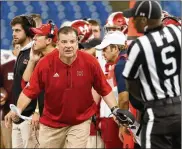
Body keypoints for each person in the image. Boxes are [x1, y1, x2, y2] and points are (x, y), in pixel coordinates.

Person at [5, 26, 126, 148]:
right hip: (51, 123)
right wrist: (18, 109)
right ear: (57, 43)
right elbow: (29, 91)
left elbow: (104, 88)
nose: (68, 45)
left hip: (80, 121)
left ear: (77, 43)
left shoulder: (90, 62)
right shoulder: (45, 63)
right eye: (64, 42)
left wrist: (115, 109)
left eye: (72, 42)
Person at [122, 1, 181, 149]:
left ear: (144, 19)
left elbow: (130, 83)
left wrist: (146, 100)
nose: (132, 22)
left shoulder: (139, 45)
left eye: (134, 18)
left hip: (157, 112)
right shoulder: (177, 33)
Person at [4, 15, 38, 148]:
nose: (13, 34)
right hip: (19, 116)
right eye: (13, 30)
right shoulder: (22, 53)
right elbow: (20, 86)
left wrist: (36, 111)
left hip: (30, 118)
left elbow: (40, 86)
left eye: (18, 30)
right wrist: (14, 110)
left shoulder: (34, 52)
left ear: (29, 31)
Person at [22, 21, 59, 131]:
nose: (34, 38)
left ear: (48, 40)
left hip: (59, 119)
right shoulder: (41, 59)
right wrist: (32, 61)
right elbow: (26, 83)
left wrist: (37, 111)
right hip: (46, 117)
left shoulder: (60, 58)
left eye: (38, 35)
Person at [95, 31, 127, 148]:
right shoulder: (127, 59)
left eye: (105, 49)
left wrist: (123, 122)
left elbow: (124, 98)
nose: (103, 53)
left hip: (121, 117)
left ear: (115, 48)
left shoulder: (121, 64)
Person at [0, 42, 20, 148]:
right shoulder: (6, 66)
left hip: (26, 116)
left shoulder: (32, 64)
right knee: (8, 145)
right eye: (18, 47)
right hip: (7, 114)